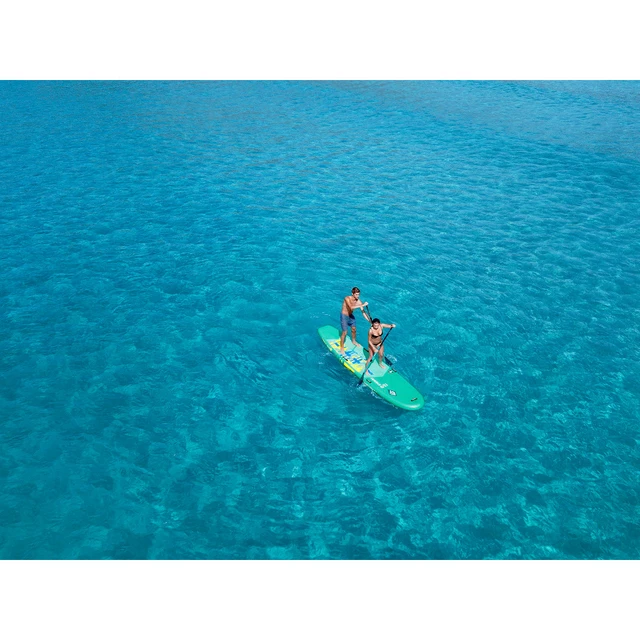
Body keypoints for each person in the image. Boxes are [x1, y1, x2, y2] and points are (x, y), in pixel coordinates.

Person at [339, 287, 370, 354]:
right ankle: (341, 348)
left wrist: (369, 321)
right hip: (344, 316)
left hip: (350, 316)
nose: (358, 296)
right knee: (345, 332)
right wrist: (363, 305)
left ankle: (353, 341)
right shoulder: (347, 298)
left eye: (358, 294)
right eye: (356, 294)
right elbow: (351, 307)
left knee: (354, 329)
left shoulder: (358, 301)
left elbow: (363, 312)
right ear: (352, 294)